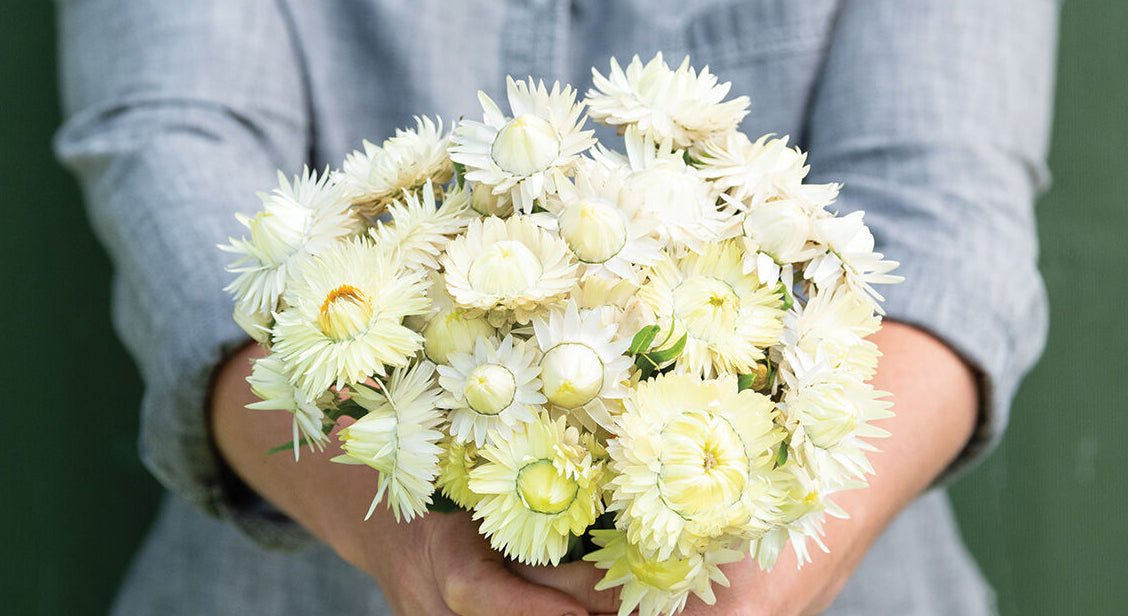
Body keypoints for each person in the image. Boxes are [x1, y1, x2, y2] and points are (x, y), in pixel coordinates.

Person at [55, 1, 1058, 614]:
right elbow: (169, 140)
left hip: (818, 572)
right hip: (298, 565)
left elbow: (946, 212)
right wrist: (396, 531)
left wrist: (758, 572)